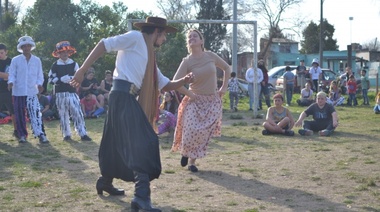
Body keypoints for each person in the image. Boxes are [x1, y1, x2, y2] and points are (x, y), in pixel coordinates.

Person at [70, 17, 194, 212]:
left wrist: (184, 80)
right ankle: (141, 196)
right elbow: (104, 44)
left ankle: (105, 181)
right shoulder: (136, 37)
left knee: (114, 141)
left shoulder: (149, 56)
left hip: (124, 98)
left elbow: (164, 84)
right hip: (122, 96)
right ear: (156, 31)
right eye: (164, 35)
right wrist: (82, 71)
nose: (165, 39)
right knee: (145, 142)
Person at [171, 28, 231, 173]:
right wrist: (190, 94)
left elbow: (227, 68)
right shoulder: (187, 62)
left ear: (201, 41)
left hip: (212, 100)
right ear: (188, 43)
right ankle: (185, 152)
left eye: (195, 36)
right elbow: (175, 82)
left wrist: (223, 87)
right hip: (195, 100)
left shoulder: (210, 56)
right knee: (191, 130)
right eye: (189, 37)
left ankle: (192, 162)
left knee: (203, 133)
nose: (192, 38)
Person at [7, 36, 49, 144]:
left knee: (35, 113)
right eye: (24, 46)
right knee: (19, 114)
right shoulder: (15, 60)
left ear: (31, 47)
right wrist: (11, 82)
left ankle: (41, 134)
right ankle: (22, 135)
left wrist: (39, 84)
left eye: (28, 46)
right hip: (18, 92)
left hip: (32, 92)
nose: (26, 48)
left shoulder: (37, 60)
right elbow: (12, 74)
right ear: (21, 47)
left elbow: (40, 75)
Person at [48, 41, 92, 141]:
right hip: (60, 92)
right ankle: (66, 134)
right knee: (63, 113)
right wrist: (60, 80)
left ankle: (82, 133)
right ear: (58, 53)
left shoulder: (74, 64)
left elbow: (80, 75)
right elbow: (50, 79)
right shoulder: (55, 65)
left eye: (67, 52)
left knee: (77, 112)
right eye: (62, 52)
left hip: (71, 91)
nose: (65, 54)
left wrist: (72, 78)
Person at [0, 43, 18, 137]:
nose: (0, 55)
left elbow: (11, 76)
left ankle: (16, 131)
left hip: (9, 90)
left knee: (13, 111)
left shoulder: (12, 61)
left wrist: (4, 75)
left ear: (6, 52)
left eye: (1, 53)